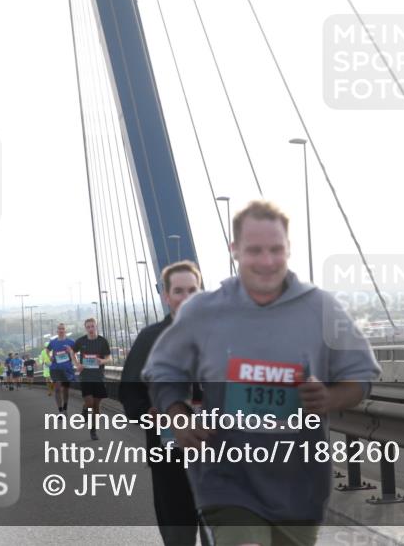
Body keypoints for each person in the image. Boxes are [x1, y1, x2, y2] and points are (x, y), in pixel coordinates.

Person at [144, 200, 380, 546]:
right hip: (226, 479)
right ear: (235, 250)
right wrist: (178, 416)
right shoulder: (203, 310)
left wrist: (329, 397)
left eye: (276, 250)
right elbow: (163, 369)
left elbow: (361, 376)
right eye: (255, 250)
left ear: (288, 249)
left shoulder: (320, 308)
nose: (267, 261)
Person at [121, 260, 203, 546]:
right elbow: (129, 394)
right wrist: (148, 414)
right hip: (169, 459)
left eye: (192, 290)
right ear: (166, 297)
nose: (186, 297)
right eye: (179, 291)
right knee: (178, 537)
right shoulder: (149, 339)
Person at [73, 317, 111, 441]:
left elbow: (109, 357)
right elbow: (72, 352)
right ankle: (85, 409)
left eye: (92, 326)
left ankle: (93, 430)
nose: (90, 329)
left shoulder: (102, 341)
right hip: (85, 376)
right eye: (88, 327)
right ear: (85, 328)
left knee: (96, 407)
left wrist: (102, 361)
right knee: (89, 403)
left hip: (99, 377)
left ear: (96, 326)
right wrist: (77, 364)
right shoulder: (81, 341)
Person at [48, 323, 77, 415]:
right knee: (57, 389)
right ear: (57, 331)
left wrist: (71, 352)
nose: (61, 330)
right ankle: (60, 411)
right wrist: (50, 357)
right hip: (56, 368)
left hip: (67, 369)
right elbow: (47, 350)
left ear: (65, 330)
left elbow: (75, 354)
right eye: (59, 329)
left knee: (65, 390)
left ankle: (65, 407)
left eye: (63, 329)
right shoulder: (53, 342)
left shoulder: (71, 342)